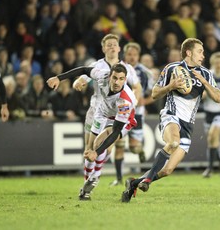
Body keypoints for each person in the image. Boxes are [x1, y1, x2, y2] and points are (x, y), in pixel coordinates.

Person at [121, 38, 220, 203]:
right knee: (174, 142)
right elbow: (154, 94)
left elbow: (218, 97)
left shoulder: (206, 73)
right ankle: (146, 181)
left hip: (188, 124)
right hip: (170, 115)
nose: (203, 55)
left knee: (167, 170)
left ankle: (134, 183)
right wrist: (171, 86)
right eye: (200, 51)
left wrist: (204, 82)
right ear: (189, 52)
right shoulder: (172, 68)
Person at [47, 63, 137, 201]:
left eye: (121, 79)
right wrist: (59, 78)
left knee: (98, 145)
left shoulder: (125, 101)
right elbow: (83, 69)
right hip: (101, 112)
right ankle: (86, 186)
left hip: (122, 120)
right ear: (109, 76)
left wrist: (98, 151)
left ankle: (96, 174)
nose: (117, 82)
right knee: (88, 150)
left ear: (125, 80)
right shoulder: (102, 75)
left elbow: (115, 131)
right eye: (114, 78)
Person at [72, 34, 142, 184]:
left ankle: (94, 177)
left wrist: (133, 101)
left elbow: (137, 86)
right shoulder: (97, 66)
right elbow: (84, 76)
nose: (111, 47)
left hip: (115, 113)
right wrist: (78, 81)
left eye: (114, 44)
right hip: (95, 110)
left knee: (106, 148)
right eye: (108, 45)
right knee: (89, 148)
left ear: (119, 48)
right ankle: (88, 180)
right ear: (103, 48)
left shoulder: (127, 68)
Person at [109, 42, 153, 186]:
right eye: (129, 54)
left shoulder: (146, 72)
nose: (132, 57)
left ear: (138, 56)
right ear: (125, 55)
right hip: (121, 112)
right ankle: (119, 178)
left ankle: (139, 151)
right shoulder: (118, 69)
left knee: (134, 148)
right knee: (119, 144)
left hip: (137, 114)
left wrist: (144, 102)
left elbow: (154, 93)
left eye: (135, 54)